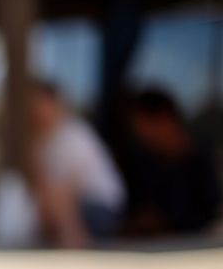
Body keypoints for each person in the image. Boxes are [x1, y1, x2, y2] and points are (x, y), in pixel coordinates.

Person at [28, 81, 126, 248]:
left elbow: (68, 189)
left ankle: (74, 244)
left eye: (43, 104)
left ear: (55, 104)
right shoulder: (45, 143)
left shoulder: (73, 134)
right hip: (81, 208)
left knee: (59, 192)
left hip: (103, 209)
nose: (39, 111)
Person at [123, 88, 221, 235]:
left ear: (164, 117)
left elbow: (210, 216)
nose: (140, 134)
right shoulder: (145, 165)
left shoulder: (207, 162)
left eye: (142, 125)